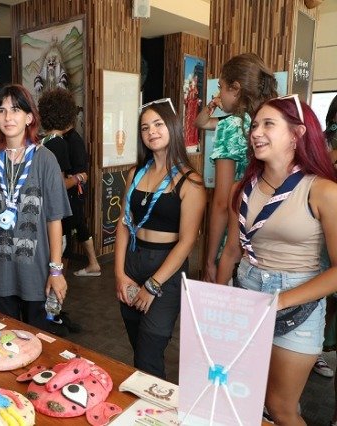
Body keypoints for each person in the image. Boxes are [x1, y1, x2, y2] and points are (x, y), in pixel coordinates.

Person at [216, 95, 337, 425]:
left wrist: (279, 301)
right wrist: (216, 302)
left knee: (281, 408)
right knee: (242, 395)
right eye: (255, 125)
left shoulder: (323, 191)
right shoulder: (242, 189)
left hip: (298, 305)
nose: (256, 132)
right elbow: (232, 251)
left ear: (297, 134)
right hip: (247, 295)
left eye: (268, 124)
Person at [114, 98, 206, 379]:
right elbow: (123, 223)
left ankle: (153, 403)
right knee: (137, 344)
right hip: (133, 260)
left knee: (150, 350)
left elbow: (187, 241)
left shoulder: (191, 181)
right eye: (145, 128)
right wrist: (119, 274)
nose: (151, 131)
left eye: (158, 124)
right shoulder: (135, 173)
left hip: (166, 269)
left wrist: (153, 285)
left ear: (173, 127)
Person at [0, 84, 71, 330]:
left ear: (29, 117)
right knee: (0, 338)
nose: (8, 117)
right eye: (1, 111)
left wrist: (56, 271)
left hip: (34, 273)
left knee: (37, 340)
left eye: (15, 109)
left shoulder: (45, 159)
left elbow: (54, 220)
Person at [195, 53, 278, 282]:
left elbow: (222, 203)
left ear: (235, 88)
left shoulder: (232, 126)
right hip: (269, 238)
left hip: (236, 239)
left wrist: (210, 260)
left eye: (220, 87)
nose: (219, 94)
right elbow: (200, 123)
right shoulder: (272, 122)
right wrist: (213, 104)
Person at [37, 88, 101, 277]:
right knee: (58, 255)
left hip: (42, 209)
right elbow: (59, 185)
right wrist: (78, 178)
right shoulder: (59, 144)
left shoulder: (43, 142)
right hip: (54, 211)